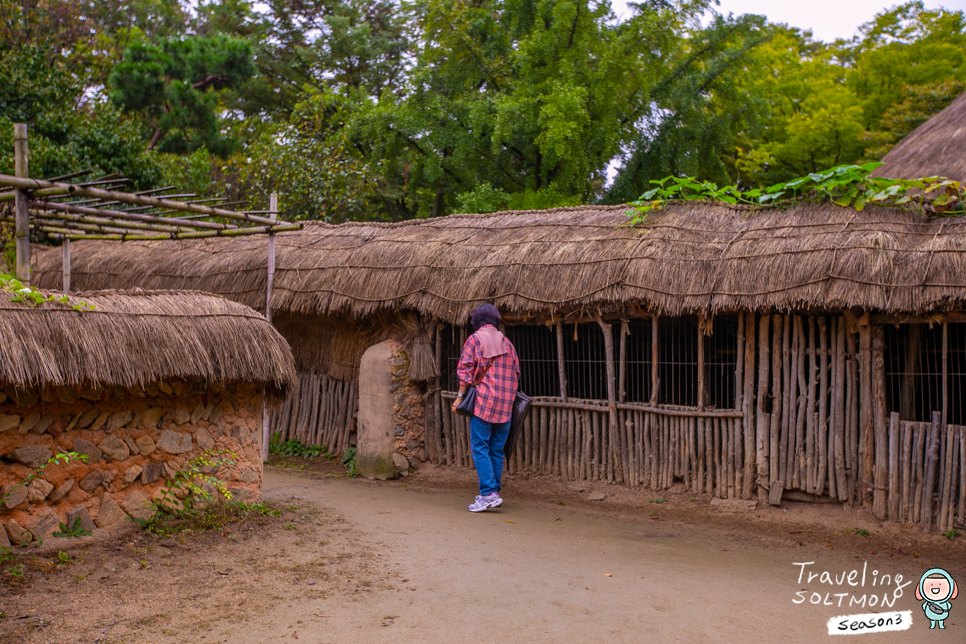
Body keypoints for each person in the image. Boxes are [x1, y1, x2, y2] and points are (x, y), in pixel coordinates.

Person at [451, 303, 520, 512]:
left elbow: (465, 371)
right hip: (506, 405)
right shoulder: (507, 343)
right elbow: (516, 373)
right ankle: (493, 492)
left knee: (480, 447)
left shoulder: (474, 340)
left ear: (476, 320)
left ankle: (488, 493)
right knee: (496, 450)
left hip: (484, 403)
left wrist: (460, 397)